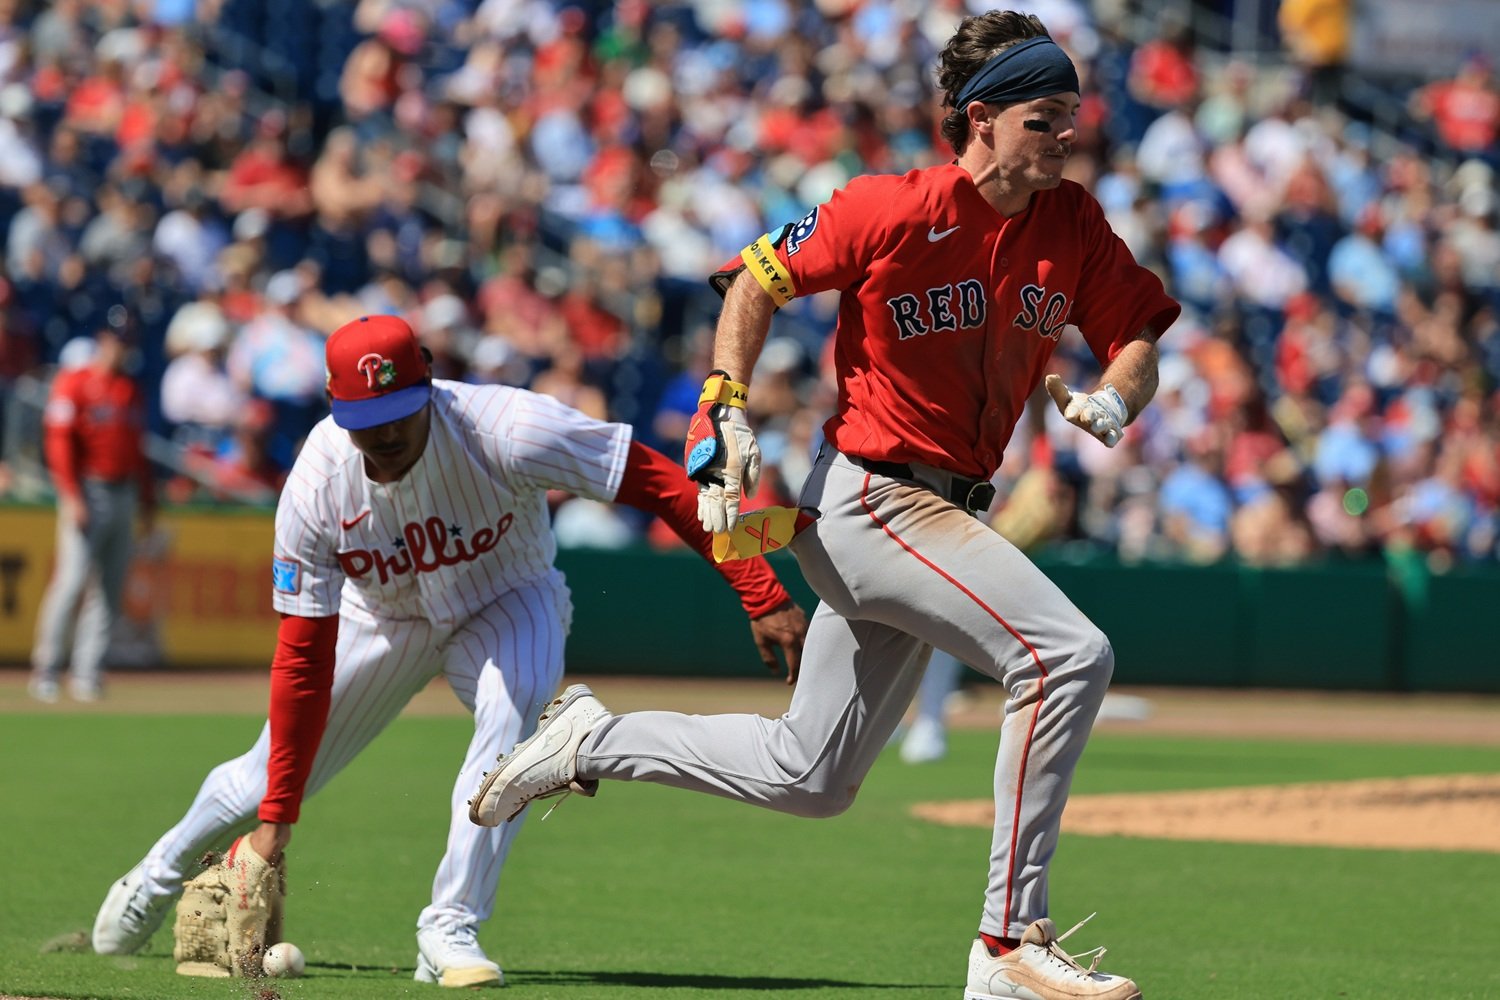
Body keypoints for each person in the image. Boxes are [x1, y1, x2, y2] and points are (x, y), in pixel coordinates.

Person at [470, 12, 1179, 1000]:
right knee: (1067, 657)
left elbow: (1138, 333)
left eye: (1071, 111)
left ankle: (590, 737)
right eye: (1045, 115)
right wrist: (723, 401)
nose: (1070, 130)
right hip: (871, 497)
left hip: (939, 511)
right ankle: (1008, 943)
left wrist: (1117, 395)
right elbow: (756, 282)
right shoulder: (892, 205)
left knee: (810, 774)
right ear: (982, 120)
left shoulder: (1075, 226)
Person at [91, 314, 807, 986]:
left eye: (400, 408)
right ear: (336, 408)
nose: (388, 432)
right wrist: (276, 822)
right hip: (385, 618)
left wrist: (760, 588)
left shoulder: (509, 427)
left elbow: (660, 483)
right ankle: (152, 878)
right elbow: (302, 657)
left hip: (508, 597)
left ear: (428, 385)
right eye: (367, 420)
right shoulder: (315, 484)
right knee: (260, 780)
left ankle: (449, 927)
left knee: (513, 717)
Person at [30, 327, 155, 703]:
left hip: (124, 491)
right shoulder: (75, 382)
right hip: (89, 487)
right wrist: (71, 495)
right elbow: (59, 442)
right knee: (70, 581)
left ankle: (88, 671)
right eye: (116, 341)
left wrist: (147, 499)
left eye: (126, 342)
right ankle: (47, 668)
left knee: (110, 588)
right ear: (102, 341)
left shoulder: (130, 389)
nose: (120, 349)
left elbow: (137, 449)